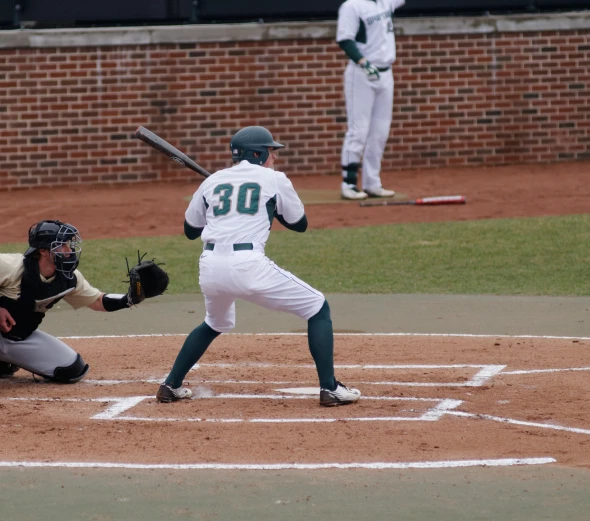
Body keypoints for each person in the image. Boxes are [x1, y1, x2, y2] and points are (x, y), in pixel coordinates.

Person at [156, 126, 361, 407]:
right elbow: (299, 224)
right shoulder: (274, 179)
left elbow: (191, 231)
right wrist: (269, 207)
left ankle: (170, 385)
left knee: (215, 322)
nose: (274, 158)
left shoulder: (213, 181)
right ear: (258, 153)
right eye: (271, 152)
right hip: (248, 265)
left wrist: (222, 206)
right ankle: (330, 389)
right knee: (317, 307)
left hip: (210, 267)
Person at [0, 219, 160, 396]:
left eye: (69, 245)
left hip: (16, 337)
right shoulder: (11, 266)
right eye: (62, 245)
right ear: (43, 250)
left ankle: (3, 360)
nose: (69, 250)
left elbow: (98, 301)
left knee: (72, 369)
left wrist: (129, 299)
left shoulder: (69, 279)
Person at [336, 0, 406, 200]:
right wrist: (363, 62)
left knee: (380, 132)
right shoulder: (353, 5)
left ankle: (372, 182)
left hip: (386, 72)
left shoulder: (386, 2)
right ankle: (349, 184)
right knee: (359, 130)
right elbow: (345, 39)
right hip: (362, 73)